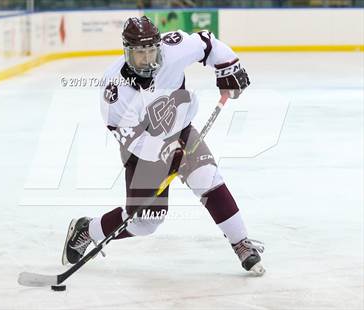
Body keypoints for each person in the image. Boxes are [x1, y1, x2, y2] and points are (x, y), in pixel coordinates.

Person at [62, 16, 265, 275]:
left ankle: (241, 243)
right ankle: (87, 228)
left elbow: (208, 43)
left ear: (159, 46)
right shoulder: (114, 89)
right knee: (145, 223)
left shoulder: (173, 49)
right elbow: (130, 139)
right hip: (143, 153)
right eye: (139, 54)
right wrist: (164, 154)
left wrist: (228, 68)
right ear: (127, 53)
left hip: (181, 130)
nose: (147, 60)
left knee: (208, 178)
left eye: (151, 51)